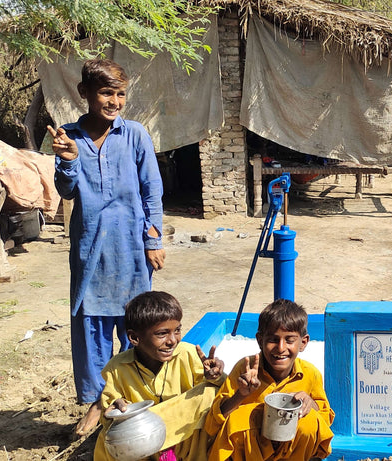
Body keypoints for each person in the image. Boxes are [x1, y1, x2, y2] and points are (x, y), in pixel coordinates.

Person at [48, 58, 166, 436]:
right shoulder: (68, 135)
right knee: (92, 326)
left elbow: (152, 190)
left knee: (136, 326)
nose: (114, 101)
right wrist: (67, 161)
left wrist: (154, 240)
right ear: (84, 93)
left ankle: (138, 398)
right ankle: (100, 403)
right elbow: (66, 191)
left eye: (120, 94)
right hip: (90, 249)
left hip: (131, 247)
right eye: (105, 92)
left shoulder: (135, 134)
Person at [96, 291, 225, 461]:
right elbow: (109, 409)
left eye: (177, 330)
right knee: (106, 438)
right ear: (135, 338)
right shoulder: (118, 367)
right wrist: (117, 407)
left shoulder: (187, 354)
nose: (172, 340)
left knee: (209, 392)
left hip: (186, 438)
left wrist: (216, 377)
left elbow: (222, 392)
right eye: (162, 334)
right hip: (144, 444)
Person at [204, 299, 334, 461]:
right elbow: (213, 424)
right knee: (240, 418)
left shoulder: (310, 374)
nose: (280, 348)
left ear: (303, 342)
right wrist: (241, 395)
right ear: (260, 340)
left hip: (292, 454)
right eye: (273, 339)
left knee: (310, 421)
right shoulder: (245, 369)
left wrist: (310, 403)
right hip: (249, 455)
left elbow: (324, 421)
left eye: (289, 340)